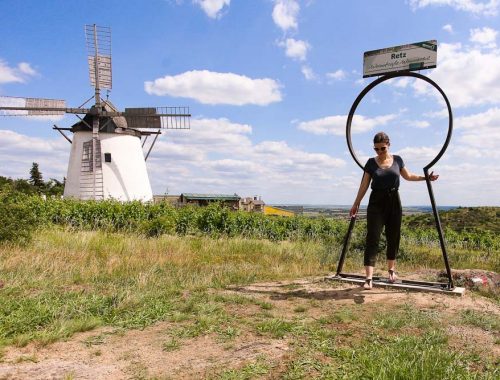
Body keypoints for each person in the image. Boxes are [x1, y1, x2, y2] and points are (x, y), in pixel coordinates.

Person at [349, 132, 439, 290]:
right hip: (376, 202)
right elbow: (363, 185)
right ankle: (368, 278)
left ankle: (391, 271)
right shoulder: (370, 163)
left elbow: (408, 176)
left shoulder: (398, 160)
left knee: (393, 236)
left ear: (388, 145)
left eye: (382, 148)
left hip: (394, 201)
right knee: (373, 237)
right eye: (376, 149)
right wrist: (356, 203)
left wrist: (426, 178)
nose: (379, 152)